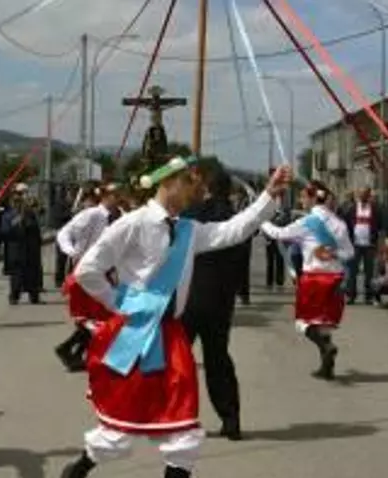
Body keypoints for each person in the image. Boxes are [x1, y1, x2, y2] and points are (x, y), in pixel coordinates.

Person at [59, 158, 290, 478]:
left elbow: (233, 230)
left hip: (170, 334)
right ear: (168, 182)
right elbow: (87, 270)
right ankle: (77, 471)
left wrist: (268, 195)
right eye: (189, 183)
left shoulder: (187, 230)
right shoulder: (133, 223)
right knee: (120, 425)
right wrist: (120, 303)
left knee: (181, 427)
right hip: (135, 334)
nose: (196, 191)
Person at [261, 181, 355, 380]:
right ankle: (327, 367)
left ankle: (325, 347)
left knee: (303, 322)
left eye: (303, 196)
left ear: (313, 198)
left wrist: (261, 221)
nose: (301, 200)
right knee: (324, 324)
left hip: (314, 279)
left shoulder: (306, 223)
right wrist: (334, 254)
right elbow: (349, 253)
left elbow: (279, 234)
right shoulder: (339, 223)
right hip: (335, 279)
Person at [181, 171, 245, 440]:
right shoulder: (237, 219)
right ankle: (230, 420)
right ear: (229, 191)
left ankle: (178, 417)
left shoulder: (192, 213)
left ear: (207, 188)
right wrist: (237, 291)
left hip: (190, 295)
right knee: (218, 359)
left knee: (179, 358)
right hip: (221, 299)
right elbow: (241, 260)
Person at [56, 182, 122, 372]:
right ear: (105, 196)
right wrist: (71, 251)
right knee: (95, 316)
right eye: (115, 195)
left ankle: (73, 352)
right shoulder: (92, 214)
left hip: (104, 271)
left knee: (101, 316)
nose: (118, 198)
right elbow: (64, 232)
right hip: (87, 270)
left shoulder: (118, 216)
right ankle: (70, 351)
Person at [1, 183, 43, 304]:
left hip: (30, 248)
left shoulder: (30, 213)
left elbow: (35, 228)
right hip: (16, 248)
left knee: (32, 272)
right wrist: (16, 221)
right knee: (16, 274)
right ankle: (14, 296)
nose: (19, 201)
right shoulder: (8, 215)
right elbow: (4, 231)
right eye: (17, 198)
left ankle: (34, 296)